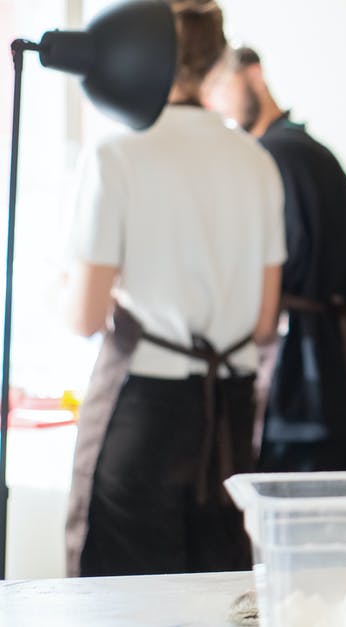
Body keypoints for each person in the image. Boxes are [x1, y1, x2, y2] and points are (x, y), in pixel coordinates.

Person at [62, 0, 285, 577]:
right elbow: (264, 325)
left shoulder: (116, 155)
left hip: (145, 408)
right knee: (220, 593)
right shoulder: (256, 160)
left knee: (127, 600)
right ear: (216, 64)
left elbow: (84, 317)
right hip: (229, 419)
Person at [204, 46, 346, 472]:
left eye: (222, 84)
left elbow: (259, 276)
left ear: (254, 75)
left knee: (278, 527)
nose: (217, 102)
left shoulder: (268, 158)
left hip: (290, 385)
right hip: (337, 375)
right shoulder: (317, 152)